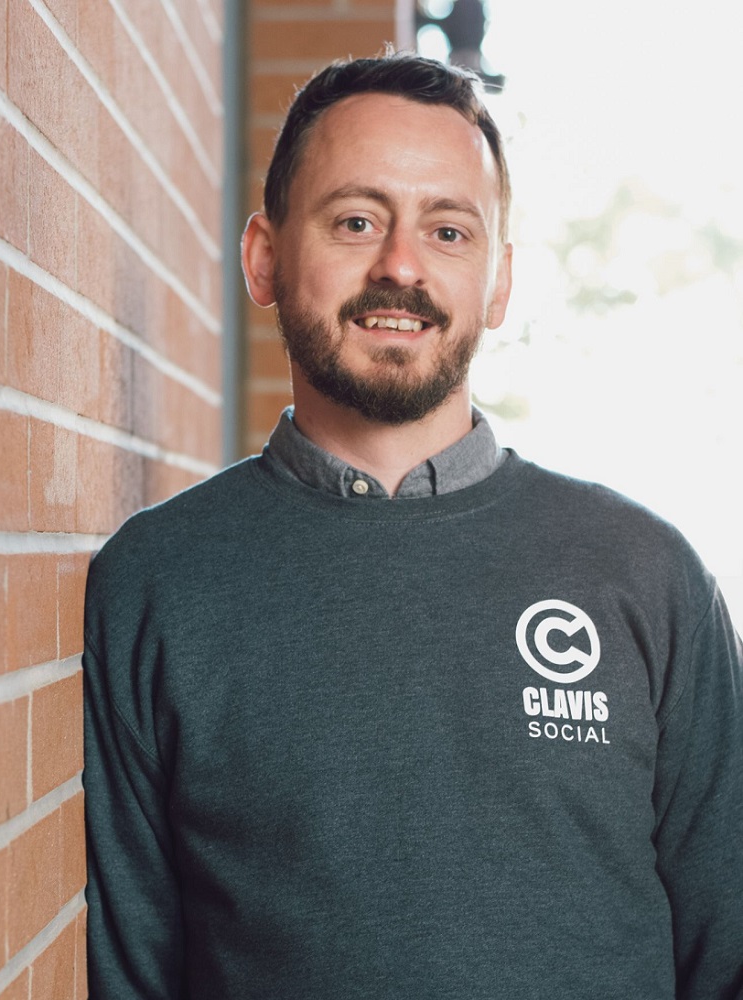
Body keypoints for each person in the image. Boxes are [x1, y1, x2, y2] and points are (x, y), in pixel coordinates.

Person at [82, 53, 743, 999]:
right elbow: (131, 971)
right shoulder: (154, 583)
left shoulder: (645, 575)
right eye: (356, 221)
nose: (401, 265)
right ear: (263, 257)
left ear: (498, 282)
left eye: (447, 230)